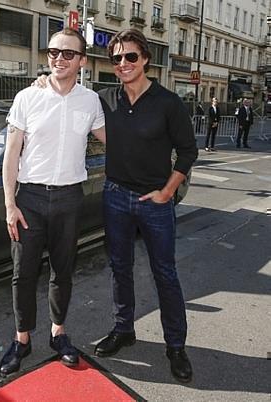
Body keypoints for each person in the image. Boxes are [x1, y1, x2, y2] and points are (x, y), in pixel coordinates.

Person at [0, 27, 106, 377]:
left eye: (67, 54)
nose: (59, 58)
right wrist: (10, 205)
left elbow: (113, 139)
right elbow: (11, 154)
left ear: (82, 61)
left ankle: (58, 334)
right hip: (28, 199)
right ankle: (21, 340)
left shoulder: (90, 101)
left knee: (63, 270)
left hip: (69, 198)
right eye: (53, 52)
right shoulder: (28, 97)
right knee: (22, 273)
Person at [93, 29, 198, 384]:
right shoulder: (105, 98)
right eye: (117, 58)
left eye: (130, 57)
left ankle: (176, 346)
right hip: (115, 196)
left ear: (146, 60)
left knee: (165, 273)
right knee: (120, 268)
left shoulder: (168, 103)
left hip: (155, 202)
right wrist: (46, 83)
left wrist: (167, 192)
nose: (122, 64)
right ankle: (124, 330)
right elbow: (68, 104)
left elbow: (188, 151)